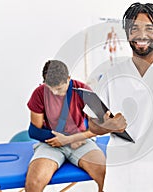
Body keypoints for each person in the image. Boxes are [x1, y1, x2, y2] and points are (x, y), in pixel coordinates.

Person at [54, 2, 153, 191]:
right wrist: (106, 126)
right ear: (127, 33)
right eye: (134, 28)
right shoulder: (112, 75)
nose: (141, 34)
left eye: (149, 28)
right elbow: (93, 123)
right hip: (129, 170)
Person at [25, 60, 126, 192]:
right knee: (34, 182)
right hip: (51, 143)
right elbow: (34, 131)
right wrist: (63, 139)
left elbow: (98, 128)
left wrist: (72, 139)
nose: (55, 93)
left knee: (106, 176)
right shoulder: (39, 93)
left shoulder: (84, 92)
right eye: (51, 89)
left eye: (60, 88)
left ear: (68, 78)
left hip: (81, 142)